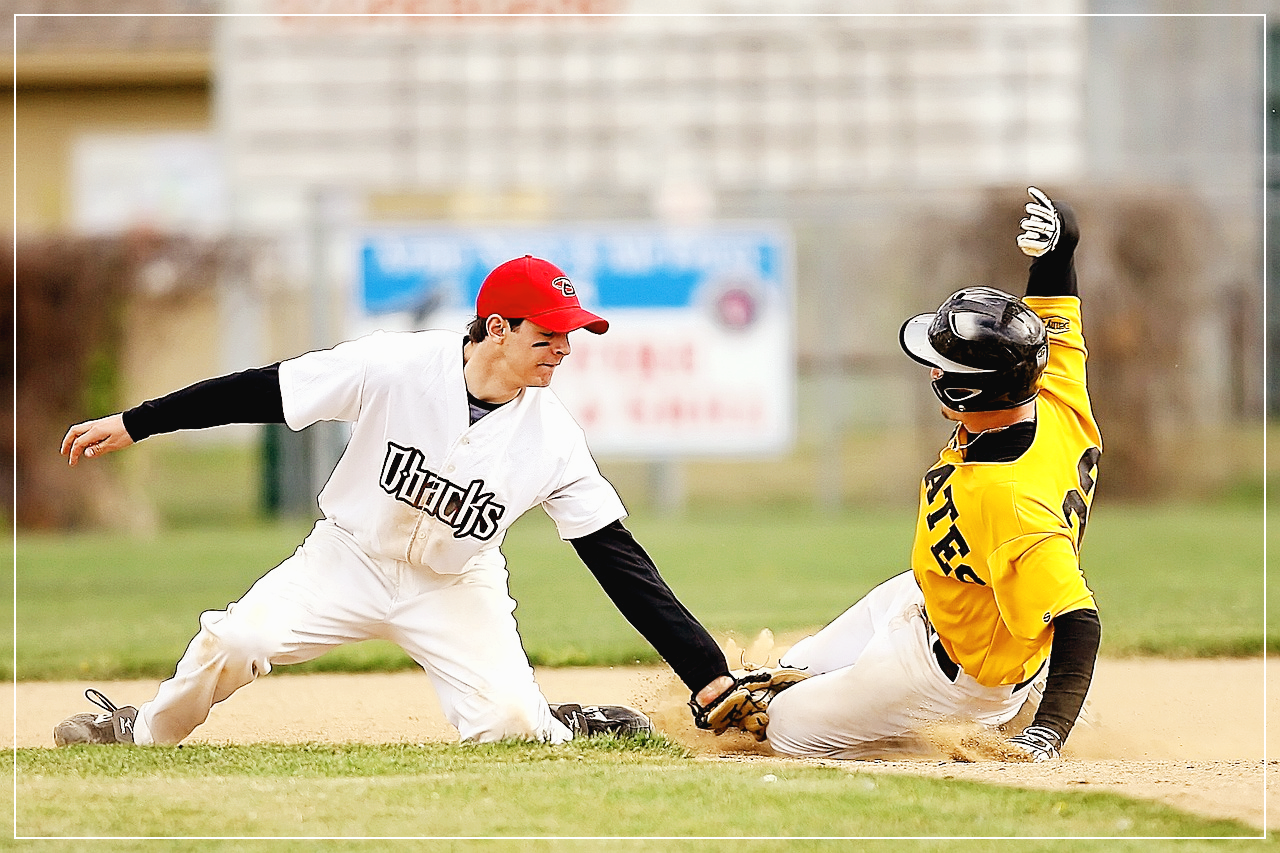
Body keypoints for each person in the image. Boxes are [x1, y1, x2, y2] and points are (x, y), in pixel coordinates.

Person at [54, 254, 734, 746]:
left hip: (453, 585)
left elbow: (619, 560)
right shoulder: (396, 366)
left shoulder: (552, 437)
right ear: (497, 327)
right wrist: (138, 421)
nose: (562, 347)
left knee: (512, 730)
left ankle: (556, 720)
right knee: (237, 638)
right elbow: (266, 389)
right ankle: (140, 728)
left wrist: (707, 672)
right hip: (346, 559)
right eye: (547, 333)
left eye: (569, 334)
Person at [691, 187, 1101, 761]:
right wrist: (1059, 250)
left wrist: (1049, 734)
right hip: (935, 595)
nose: (931, 371)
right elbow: (1055, 307)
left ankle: (980, 719)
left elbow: (1079, 621)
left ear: (964, 390)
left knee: (777, 730)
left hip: (955, 677)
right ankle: (824, 685)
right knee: (787, 672)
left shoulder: (1010, 498)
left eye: (940, 367)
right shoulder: (1052, 390)